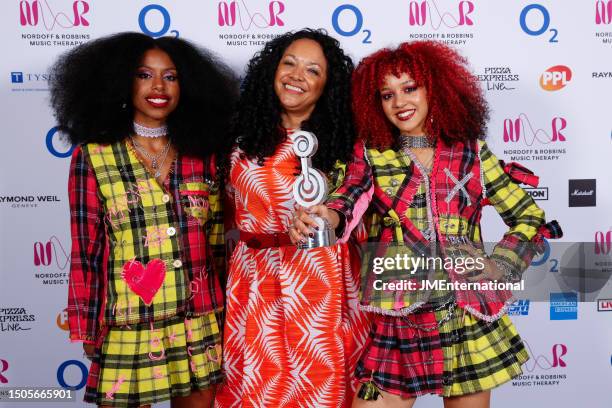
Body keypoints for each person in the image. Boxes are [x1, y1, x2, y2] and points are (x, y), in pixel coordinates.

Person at [291, 41, 562, 408]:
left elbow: (528, 216)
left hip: (466, 316)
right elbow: (347, 199)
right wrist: (327, 216)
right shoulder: (371, 153)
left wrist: (501, 265)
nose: (399, 102)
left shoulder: (471, 153)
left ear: (435, 87)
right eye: (387, 94)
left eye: (409, 88)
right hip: (399, 314)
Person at [50, 32, 237, 407]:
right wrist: (89, 327)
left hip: (198, 321)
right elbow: (87, 249)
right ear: (121, 81)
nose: (158, 87)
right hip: (128, 323)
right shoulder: (94, 156)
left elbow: (218, 242)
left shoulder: (204, 156)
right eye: (143, 75)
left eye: (170, 76)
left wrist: (228, 315)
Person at [214, 29, 370, 407]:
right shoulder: (238, 141)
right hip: (256, 283)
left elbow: (359, 200)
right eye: (289, 63)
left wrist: (331, 217)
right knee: (257, 388)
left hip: (324, 287)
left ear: (327, 86)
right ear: (272, 70)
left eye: (313, 70)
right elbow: (224, 217)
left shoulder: (349, 146)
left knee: (323, 387)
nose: (297, 76)